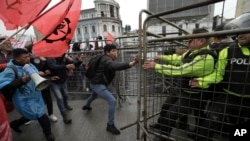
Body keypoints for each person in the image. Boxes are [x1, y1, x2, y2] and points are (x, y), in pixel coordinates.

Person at [142, 28, 216, 141]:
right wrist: (162, 57)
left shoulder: (205, 58)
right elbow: (178, 59)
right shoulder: (191, 53)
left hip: (192, 94)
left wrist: (156, 66)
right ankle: (161, 126)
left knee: (172, 114)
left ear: (201, 41)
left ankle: (163, 136)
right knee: (166, 107)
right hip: (182, 89)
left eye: (191, 40)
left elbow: (181, 70)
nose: (187, 42)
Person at [189, 12, 250, 141]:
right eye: (239, 31)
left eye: (246, 30)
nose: (240, 34)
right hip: (229, 96)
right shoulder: (227, 51)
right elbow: (218, 74)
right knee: (208, 126)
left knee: (239, 129)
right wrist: (202, 81)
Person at [82, 44, 138, 135]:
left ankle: (87, 106)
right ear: (107, 52)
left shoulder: (102, 57)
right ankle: (110, 125)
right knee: (112, 100)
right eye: (113, 51)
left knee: (93, 95)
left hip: (95, 83)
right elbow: (114, 65)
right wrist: (130, 63)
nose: (116, 53)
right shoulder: (106, 60)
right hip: (98, 84)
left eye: (116, 51)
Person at [0, 48, 55, 141]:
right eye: (25, 57)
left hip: (36, 96)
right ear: (17, 59)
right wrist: (21, 81)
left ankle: (14, 124)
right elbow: (5, 87)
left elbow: (37, 76)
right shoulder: (10, 70)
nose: (28, 58)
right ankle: (48, 134)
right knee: (41, 115)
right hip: (23, 100)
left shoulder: (29, 65)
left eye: (28, 56)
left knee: (31, 115)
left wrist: (47, 77)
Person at [47, 53, 84, 124]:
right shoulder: (50, 59)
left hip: (63, 81)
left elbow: (73, 64)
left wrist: (79, 61)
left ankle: (66, 105)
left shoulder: (64, 58)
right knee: (59, 98)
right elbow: (53, 67)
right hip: (54, 83)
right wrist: (65, 66)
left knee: (65, 95)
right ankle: (64, 115)